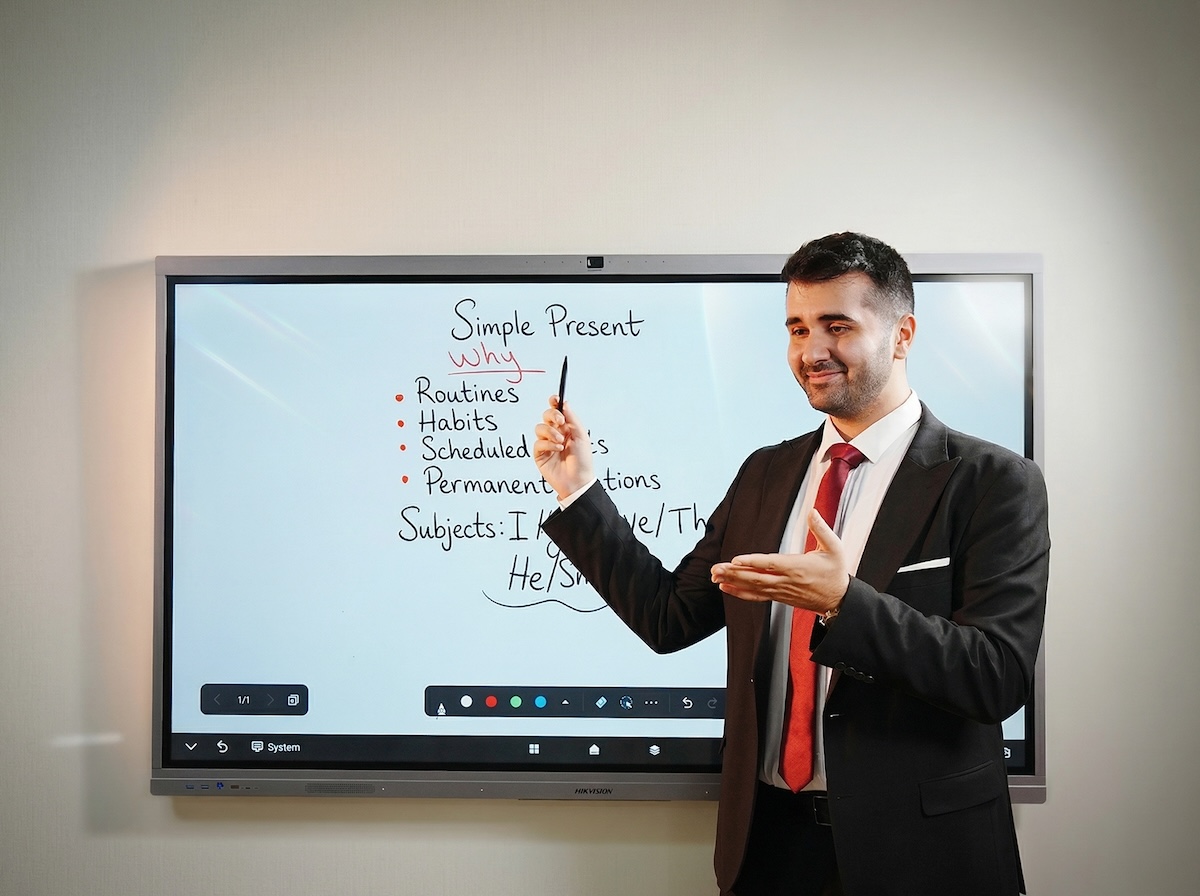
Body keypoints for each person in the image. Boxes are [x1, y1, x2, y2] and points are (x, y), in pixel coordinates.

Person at [532, 232, 1049, 896]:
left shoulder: (994, 481)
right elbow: (668, 618)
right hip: (769, 848)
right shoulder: (765, 474)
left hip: (920, 856)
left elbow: (996, 676)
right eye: (797, 328)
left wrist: (845, 602)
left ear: (902, 334)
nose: (812, 351)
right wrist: (576, 490)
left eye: (837, 326)